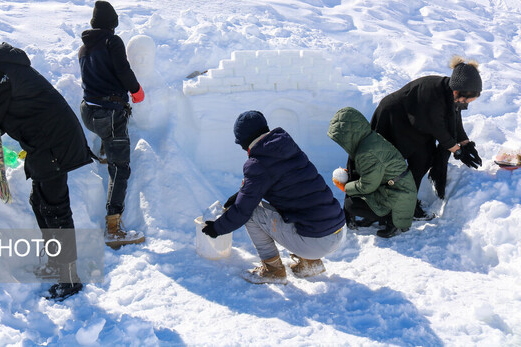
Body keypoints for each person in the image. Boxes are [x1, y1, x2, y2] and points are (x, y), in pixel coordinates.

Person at [0, 40, 92, 300]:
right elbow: (2, 115)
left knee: (55, 209)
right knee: (39, 202)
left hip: (54, 140)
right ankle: (56, 264)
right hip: (44, 141)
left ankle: (69, 278)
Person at [202, 111, 346, 284]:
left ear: (244, 141)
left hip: (315, 241)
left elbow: (243, 210)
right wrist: (242, 194)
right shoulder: (287, 148)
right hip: (337, 230)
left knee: (253, 212)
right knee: (292, 205)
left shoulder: (258, 164)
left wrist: (217, 228)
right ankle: (310, 263)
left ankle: (273, 270)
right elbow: (283, 183)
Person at [370, 56, 483, 217]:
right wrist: (456, 150)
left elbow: (455, 118)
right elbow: (438, 128)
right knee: (391, 164)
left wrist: (466, 143)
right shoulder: (433, 94)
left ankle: (407, 202)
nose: (465, 105)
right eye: (466, 101)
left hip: (416, 123)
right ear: (457, 92)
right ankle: (383, 205)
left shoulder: (450, 91)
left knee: (423, 160)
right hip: (394, 119)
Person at [78, 0, 146, 249]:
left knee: (112, 141)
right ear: (112, 24)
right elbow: (122, 68)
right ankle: (114, 228)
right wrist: (136, 90)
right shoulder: (111, 41)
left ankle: (107, 148)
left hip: (89, 113)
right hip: (109, 113)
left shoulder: (83, 48)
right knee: (121, 169)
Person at [328, 107, 417, 238]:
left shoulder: (366, 153)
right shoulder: (370, 139)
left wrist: (345, 187)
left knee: (351, 204)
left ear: (349, 136)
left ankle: (392, 221)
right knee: (358, 196)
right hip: (397, 189)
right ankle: (376, 216)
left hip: (398, 196)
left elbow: (368, 185)